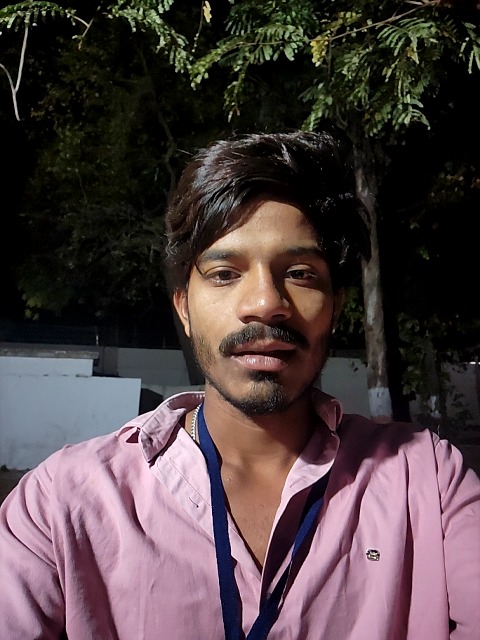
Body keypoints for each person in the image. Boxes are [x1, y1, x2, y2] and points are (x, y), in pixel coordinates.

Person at [1, 130, 479, 640]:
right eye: (225, 274)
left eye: (300, 273)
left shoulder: (427, 480)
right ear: (184, 308)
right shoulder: (60, 503)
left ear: (335, 306)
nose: (265, 303)